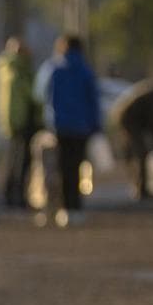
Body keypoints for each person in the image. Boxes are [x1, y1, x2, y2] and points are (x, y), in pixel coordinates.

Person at [38, 34, 101, 226]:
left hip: (60, 127)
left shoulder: (52, 68)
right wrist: (95, 125)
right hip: (82, 127)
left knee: (60, 169)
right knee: (77, 167)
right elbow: (93, 101)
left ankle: (61, 209)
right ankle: (76, 208)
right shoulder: (85, 70)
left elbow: (40, 94)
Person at [0, 36, 40, 209]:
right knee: (21, 161)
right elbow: (33, 94)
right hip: (22, 121)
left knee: (13, 160)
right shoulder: (18, 69)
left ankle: (11, 194)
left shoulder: (5, 68)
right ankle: (17, 196)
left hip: (12, 122)